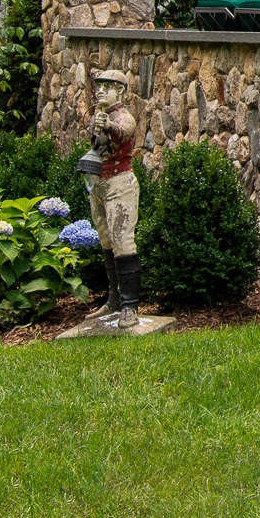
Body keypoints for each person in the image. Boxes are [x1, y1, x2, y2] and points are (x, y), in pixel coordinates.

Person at [82, 68, 142, 329]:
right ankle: (114, 299)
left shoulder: (124, 117)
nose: (101, 91)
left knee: (122, 239)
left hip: (120, 183)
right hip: (99, 183)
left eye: (107, 87)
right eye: (99, 86)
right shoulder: (98, 116)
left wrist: (108, 126)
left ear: (120, 91)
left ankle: (130, 306)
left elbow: (123, 132)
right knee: (106, 239)